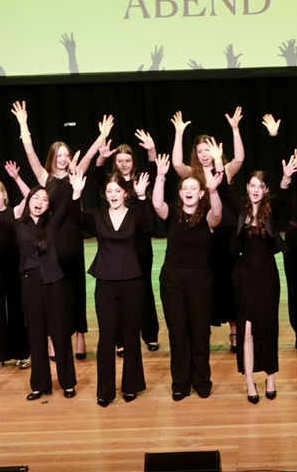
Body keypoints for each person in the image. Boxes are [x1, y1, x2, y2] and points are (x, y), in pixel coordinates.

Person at [12, 102, 113, 360]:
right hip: (52, 236)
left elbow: (88, 156)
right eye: (59, 154)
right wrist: (23, 125)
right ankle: (55, 338)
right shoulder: (45, 178)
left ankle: (79, 335)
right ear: (52, 157)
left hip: (72, 235)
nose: (63, 158)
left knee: (76, 287)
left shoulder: (75, 173)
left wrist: (101, 136)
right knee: (56, 290)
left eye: (66, 154)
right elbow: (30, 153)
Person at [0, 169, 85, 401]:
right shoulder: (18, 225)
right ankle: (40, 385)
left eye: (44, 199)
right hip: (30, 285)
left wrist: (76, 192)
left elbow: (68, 209)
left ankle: (67, 383)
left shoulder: (53, 223)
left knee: (60, 333)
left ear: (48, 205)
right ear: (28, 201)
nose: (39, 202)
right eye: (35, 198)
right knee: (37, 335)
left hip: (54, 284)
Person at [76, 172, 153, 406]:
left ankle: (131, 386)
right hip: (106, 282)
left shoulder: (135, 214)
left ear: (125, 192)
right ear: (104, 194)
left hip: (132, 281)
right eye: (109, 191)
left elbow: (148, 223)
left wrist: (142, 197)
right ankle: (105, 391)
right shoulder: (97, 216)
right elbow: (74, 218)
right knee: (107, 336)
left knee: (131, 335)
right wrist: (76, 194)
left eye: (117, 191)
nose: (113, 195)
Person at [226, 156, 297, 403]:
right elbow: (224, 191)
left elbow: (284, 197)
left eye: (261, 186)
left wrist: (286, 178)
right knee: (246, 331)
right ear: (247, 187)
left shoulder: (271, 209)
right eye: (252, 185)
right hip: (245, 276)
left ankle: (270, 376)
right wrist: (216, 163)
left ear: (266, 189)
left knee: (268, 329)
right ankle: (249, 380)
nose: (256, 190)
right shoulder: (240, 207)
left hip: (267, 277)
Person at [172, 107, 245, 352]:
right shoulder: (191, 175)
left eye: (208, 150)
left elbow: (239, 159)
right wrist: (179, 134)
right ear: (196, 154)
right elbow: (175, 163)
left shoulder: (223, 171)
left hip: (227, 234)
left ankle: (235, 330)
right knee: (207, 284)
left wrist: (235, 130)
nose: (204, 154)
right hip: (203, 235)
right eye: (200, 151)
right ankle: (203, 330)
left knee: (231, 282)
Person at [152, 153, 224, 400]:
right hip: (172, 280)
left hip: (200, 280)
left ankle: (201, 380)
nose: (189, 191)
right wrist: (160, 177)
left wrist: (214, 190)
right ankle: (180, 382)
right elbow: (157, 205)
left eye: (194, 188)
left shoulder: (207, 217)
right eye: (185, 188)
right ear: (181, 193)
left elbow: (218, 214)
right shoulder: (173, 213)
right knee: (178, 332)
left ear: (201, 193)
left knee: (200, 332)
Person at [96, 133, 161, 352]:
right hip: (117, 248)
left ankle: (150, 334)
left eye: (127, 160)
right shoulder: (111, 182)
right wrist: (101, 158)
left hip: (140, 246)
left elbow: (154, 169)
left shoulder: (141, 179)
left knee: (144, 290)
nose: (123, 164)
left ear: (133, 161)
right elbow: (97, 176)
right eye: (119, 161)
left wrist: (151, 150)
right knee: (119, 294)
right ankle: (121, 340)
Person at [0, 176, 29, 371]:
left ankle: (21, 354)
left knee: (17, 308)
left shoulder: (15, 212)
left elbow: (30, 196)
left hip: (14, 265)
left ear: (5, 195)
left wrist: (17, 178)